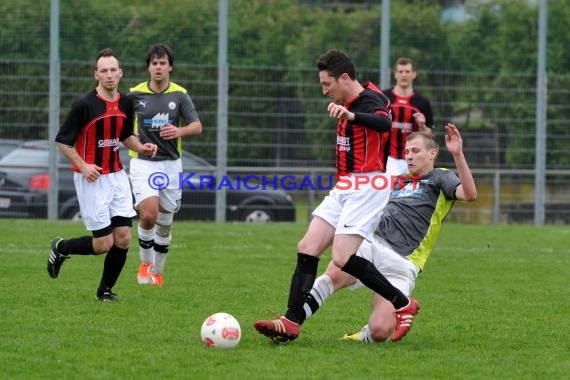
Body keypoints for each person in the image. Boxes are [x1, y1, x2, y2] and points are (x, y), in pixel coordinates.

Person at [254, 49, 407, 343]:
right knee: (308, 246)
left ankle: (402, 302)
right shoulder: (348, 101)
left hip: (367, 186)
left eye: (328, 84)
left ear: (345, 78)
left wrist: (351, 115)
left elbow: (385, 124)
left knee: (341, 257)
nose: (325, 91)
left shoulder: (369, 100)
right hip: (344, 186)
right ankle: (290, 321)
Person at [289, 124, 477, 343]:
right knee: (334, 274)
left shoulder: (439, 177)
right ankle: (290, 323)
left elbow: (470, 194)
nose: (409, 156)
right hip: (373, 244)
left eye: (415, 151)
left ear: (432, 153)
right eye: (406, 152)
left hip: (404, 263)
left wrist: (458, 154)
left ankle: (362, 335)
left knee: (380, 331)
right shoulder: (395, 180)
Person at [47, 48, 158, 302]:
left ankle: (105, 291)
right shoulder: (85, 104)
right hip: (92, 179)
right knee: (103, 245)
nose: (109, 75)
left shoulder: (126, 102)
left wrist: (141, 147)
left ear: (120, 73)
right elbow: (63, 141)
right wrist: (84, 166)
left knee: (123, 237)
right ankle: (61, 247)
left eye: (113, 70)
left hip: (117, 176)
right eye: (104, 70)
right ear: (96, 74)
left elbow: (124, 135)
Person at [128, 43, 203, 286]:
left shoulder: (180, 94)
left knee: (165, 222)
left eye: (162, 63)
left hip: (171, 164)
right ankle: (145, 266)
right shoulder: (134, 95)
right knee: (149, 215)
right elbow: (123, 131)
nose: (158, 67)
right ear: (148, 67)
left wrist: (179, 131)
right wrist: (138, 146)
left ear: (169, 67)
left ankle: (157, 273)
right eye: (154, 63)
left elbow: (197, 126)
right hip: (143, 164)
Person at [383, 57, 434, 177]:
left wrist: (422, 125)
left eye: (407, 71)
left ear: (414, 74)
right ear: (395, 74)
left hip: (413, 158)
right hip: (388, 158)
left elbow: (429, 135)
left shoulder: (422, 102)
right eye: (400, 72)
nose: (404, 75)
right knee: (391, 191)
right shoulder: (384, 98)